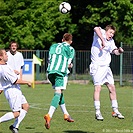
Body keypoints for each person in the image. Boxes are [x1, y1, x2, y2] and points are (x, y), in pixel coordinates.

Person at [90, 25, 124, 121]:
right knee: (98, 88)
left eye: (113, 33)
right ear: (106, 31)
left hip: (106, 68)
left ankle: (115, 110)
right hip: (97, 67)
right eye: (110, 32)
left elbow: (115, 52)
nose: (111, 35)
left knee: (112, 88)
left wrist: (119, 51)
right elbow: (96, 28)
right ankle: (97, 112)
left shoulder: (111, 41)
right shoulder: (99, 34)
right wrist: (103, 40)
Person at [44, 33, 75, 129]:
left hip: (50, 72)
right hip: (60, 72)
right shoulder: (70, 49)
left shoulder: (53, 45)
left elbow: (50, 59)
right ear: (71, 41)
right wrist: (70, 65)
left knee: (59, 91)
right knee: (58, 92)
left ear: (62, 39)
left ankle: (66, 114)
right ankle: (49, 115)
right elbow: (68, 64)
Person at [0, 49, 31, 133]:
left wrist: (13, 72)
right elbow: (15, 81)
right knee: (16, 113)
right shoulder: (4, 69)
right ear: (1, 57)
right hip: (12, 91)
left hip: (15, 90)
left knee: (25, 106)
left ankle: (14, 126)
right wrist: (27, 81)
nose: (7, 55)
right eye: (5, 54)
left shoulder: (5, 65)